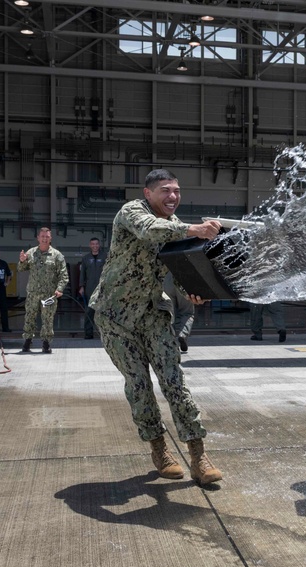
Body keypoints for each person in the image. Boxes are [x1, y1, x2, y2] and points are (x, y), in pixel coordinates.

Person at [90, 169, 223, 485]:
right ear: (148, 193)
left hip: (153, 313)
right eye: (166, 190)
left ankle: (198, 455)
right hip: (115, 317)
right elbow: (151, 230)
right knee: (139, 384)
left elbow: (179, 271)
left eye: (177, 190)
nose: (173, 196)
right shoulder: (133, 212)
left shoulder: (178, 229)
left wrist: (194, 290)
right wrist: (194, 229)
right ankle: (160, 448)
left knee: (174, 380)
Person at [18, 227, 68, 353]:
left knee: (47, 319)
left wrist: (60, 289)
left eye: (47, 237)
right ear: (38, 238)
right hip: (33, 293)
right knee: (29, 317)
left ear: (50, 238)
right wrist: (22, 261)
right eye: (42, 236)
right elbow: (21, 268)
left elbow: (63, 275)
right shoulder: (31, 253)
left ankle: (46, 344)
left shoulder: (57, 255)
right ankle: (27, 342)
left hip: (49, 295)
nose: (44, 239)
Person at [78, 237, 106, 339]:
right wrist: (81, 286)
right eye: (93, 244)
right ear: (90, 245)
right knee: (89, 311)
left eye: (96, 244)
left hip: (102, 288)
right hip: (89, 288)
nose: (95, 246)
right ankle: (88, 334)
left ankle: (103, 334)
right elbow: (82, 274)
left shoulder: (105, 257)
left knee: (102, 311)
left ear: (99, 245)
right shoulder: (86, 258)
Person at [162, 271, 195, 353]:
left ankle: (170, 340)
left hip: (167, 279)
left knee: (171, 312)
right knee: (187, 312)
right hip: (183, 279)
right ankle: (182, 334)